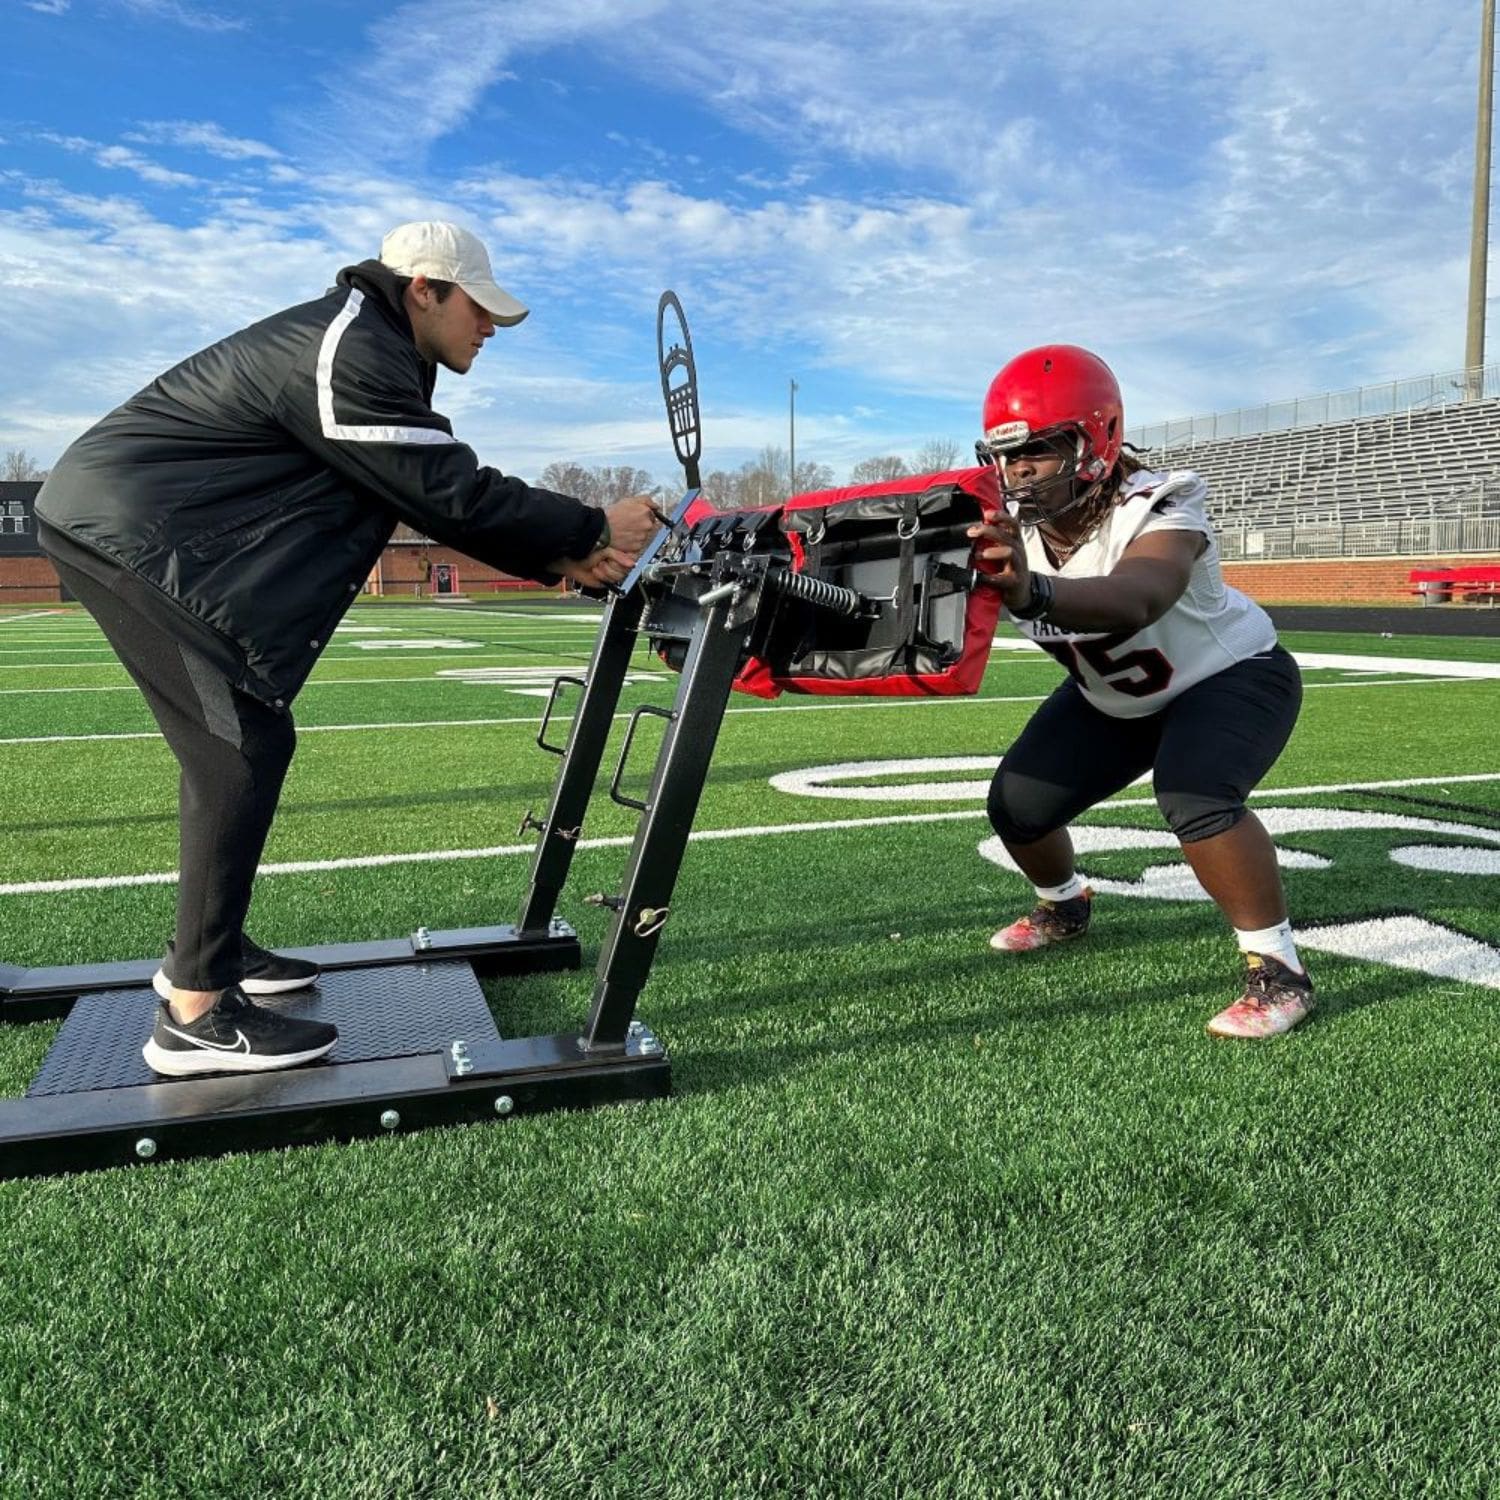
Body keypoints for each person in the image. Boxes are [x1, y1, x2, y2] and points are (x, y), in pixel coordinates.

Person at [35, 220, 660, 1077]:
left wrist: (561, 556)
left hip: (148, 531)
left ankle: (208, 952)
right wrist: (590, 525)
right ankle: (195, 1012)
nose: (489, 328)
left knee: (239, 740)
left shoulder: (371, 351)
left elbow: (416, 486)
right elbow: (439, 485)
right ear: (423, 290)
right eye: (479, 308)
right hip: (126, 533)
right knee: (238, 749)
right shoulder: (350, 347)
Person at [969, 345, 1312, 1039]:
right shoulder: (1007, 531)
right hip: (1116, 698)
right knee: (1016, 806)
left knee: (1196, 795)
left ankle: (1280, 971)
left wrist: (1032, 590)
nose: (1019, 470)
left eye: (1041, 448)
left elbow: (1138, 595)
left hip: (1228, 677)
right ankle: (1065, 904)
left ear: (1098, 438)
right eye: (1006, 456)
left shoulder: (1162, 501)